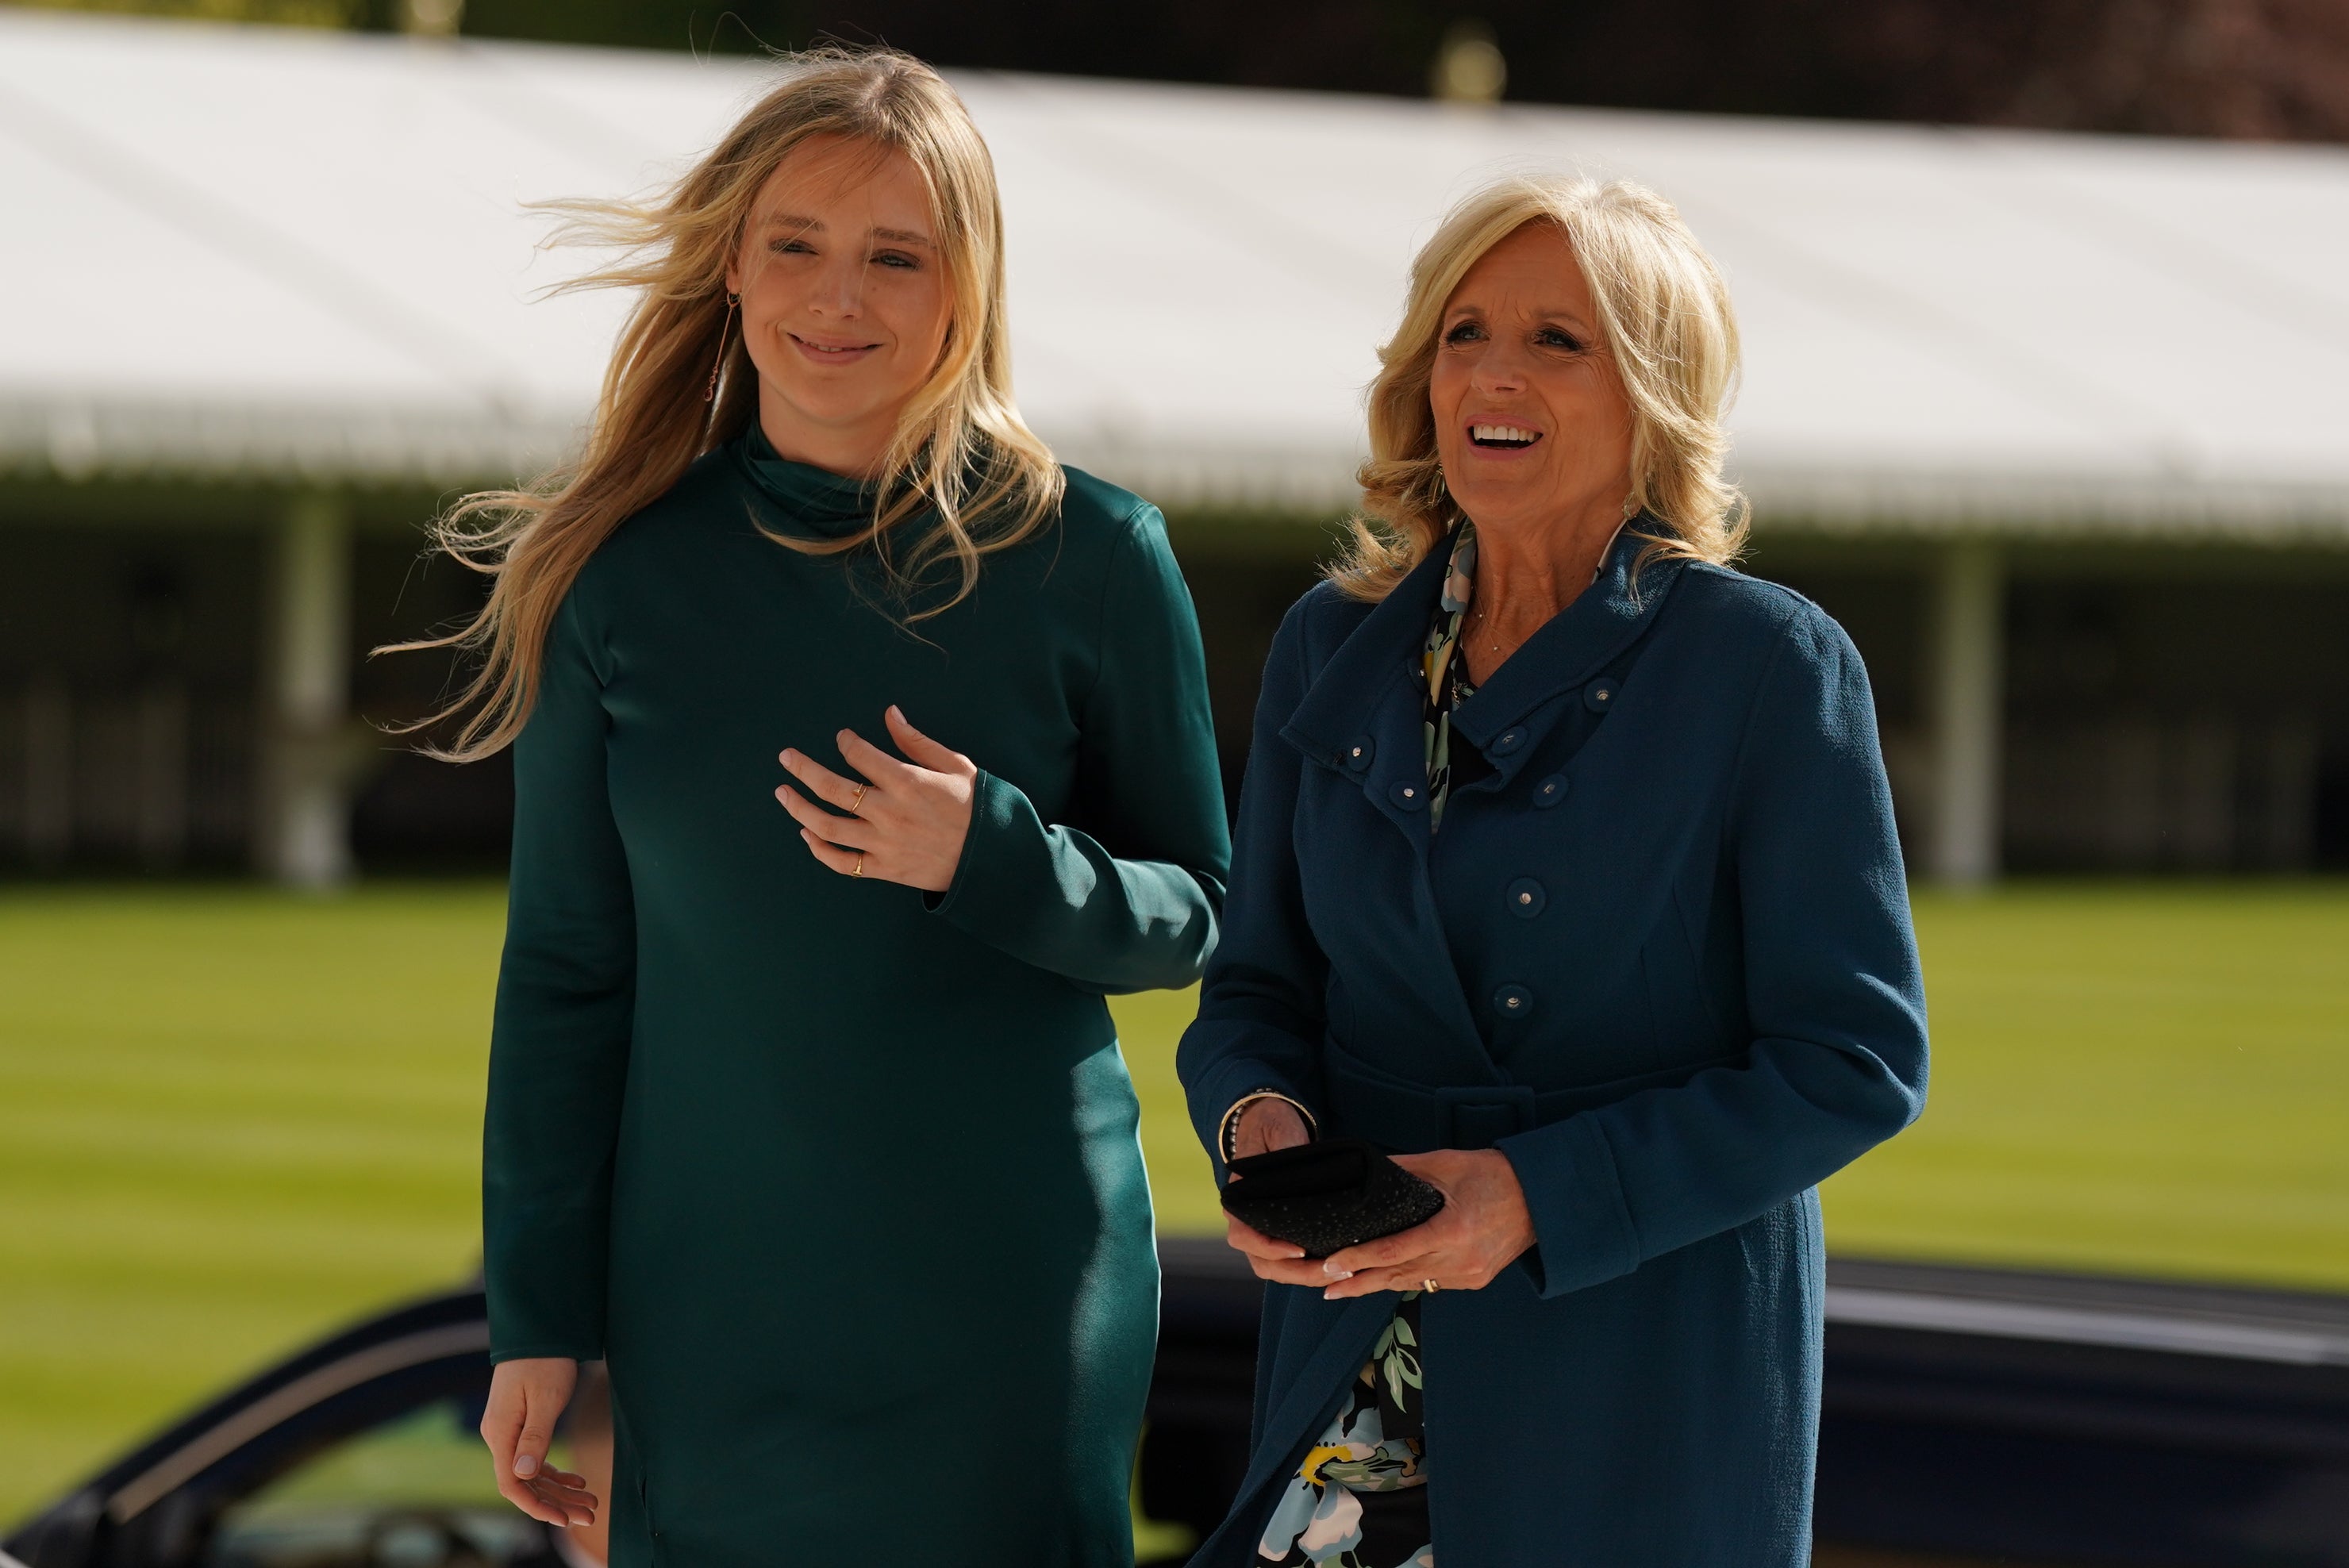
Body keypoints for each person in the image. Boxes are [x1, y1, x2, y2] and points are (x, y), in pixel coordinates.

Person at [402, 48, 1229, 1566]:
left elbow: (1201, 918)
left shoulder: (1097, 557)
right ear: (734, 263)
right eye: (799, 245)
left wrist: (993, 859)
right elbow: (568, 976)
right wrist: (539, 1315)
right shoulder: (617, 580)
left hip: (1008, 1299)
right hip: (707, 1302)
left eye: (895, 256)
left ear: (964, 288)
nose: (838, 298)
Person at [1176, 174, 1929, 1566]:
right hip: (1356, 1354)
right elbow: (1256, 988)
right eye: (1463, 333)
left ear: (1654, 394)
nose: (1494, 375)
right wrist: (1260, 1120)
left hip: (1638, 1372)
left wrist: (1532, 1198)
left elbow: (1854, 1060)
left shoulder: (1770, 666)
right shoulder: (1326, 647)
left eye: (1558, 342)